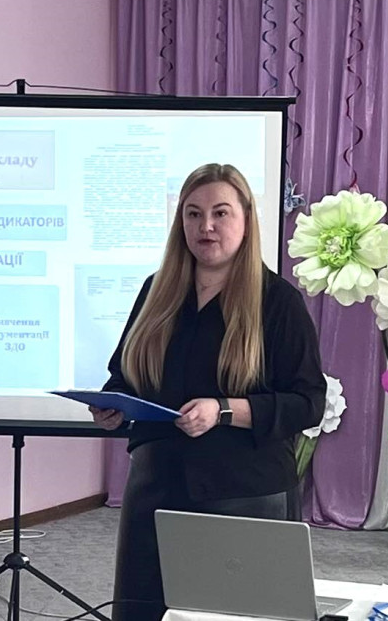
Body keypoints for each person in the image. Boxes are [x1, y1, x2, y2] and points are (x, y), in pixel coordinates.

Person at [90, 163, 326, 621]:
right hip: (156, 486)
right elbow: (124, 375)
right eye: (193, 214)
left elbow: (308, 403)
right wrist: (111, 403)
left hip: (243, 491)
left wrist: (223, 410)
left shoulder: (278, 301)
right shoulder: (155, 291)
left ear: (246, 220)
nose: (206, 226)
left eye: (220, 213)